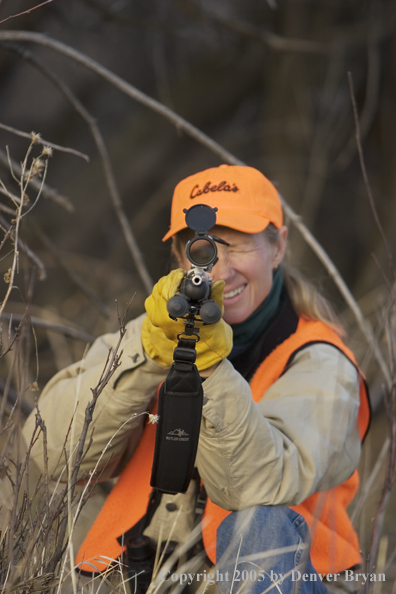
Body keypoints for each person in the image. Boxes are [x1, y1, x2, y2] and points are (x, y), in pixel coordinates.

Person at [22, 165, 370, 594]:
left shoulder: (322, 362)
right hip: (142, 574)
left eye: (238, 244)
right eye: (202, 248)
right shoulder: (156, 332)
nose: (219, 270)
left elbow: (254, 491)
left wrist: (205, 365)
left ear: (278, 247)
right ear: (179, 257)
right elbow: (50, 453)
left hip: (278, 582)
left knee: (260, 523)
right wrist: (150, 355)